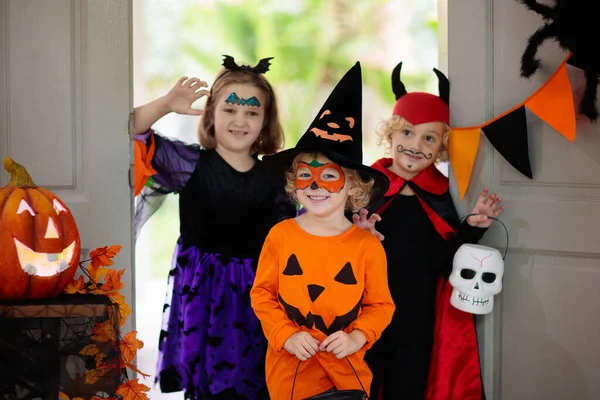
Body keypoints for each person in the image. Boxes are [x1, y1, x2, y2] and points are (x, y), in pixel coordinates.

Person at [133, 55, 296, 400]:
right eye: (230, 109)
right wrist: (165, 104)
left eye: (252, 112)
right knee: (210, 386)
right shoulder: (187, 163)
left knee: (259, 382)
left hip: (261, 298)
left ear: (266, 121)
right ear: (210, 114)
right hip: (204, 300)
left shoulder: (279, 177)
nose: (241, 120)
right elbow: (132, 128)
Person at [250, 63, 395, 400]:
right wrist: (286, 334)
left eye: (329, 176)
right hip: (291, 376)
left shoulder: (366, 246)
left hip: (348, 376)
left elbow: (381, 305)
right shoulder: (281, 236)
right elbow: (263, 295)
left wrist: (357, 337)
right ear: (293, 183)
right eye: (306, 175)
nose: (316, 186)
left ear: (353, 187)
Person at [364, 62, 505, 400]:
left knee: (408, 384)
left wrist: (471, 227)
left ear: (442, 145)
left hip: (417, 317)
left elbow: (446, 260)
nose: (416, 145)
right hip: (364, 312)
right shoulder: (365, 185)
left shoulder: (442, 193)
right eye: (407, 133)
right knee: (360, 382)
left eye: (429, 137)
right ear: (390, 135)